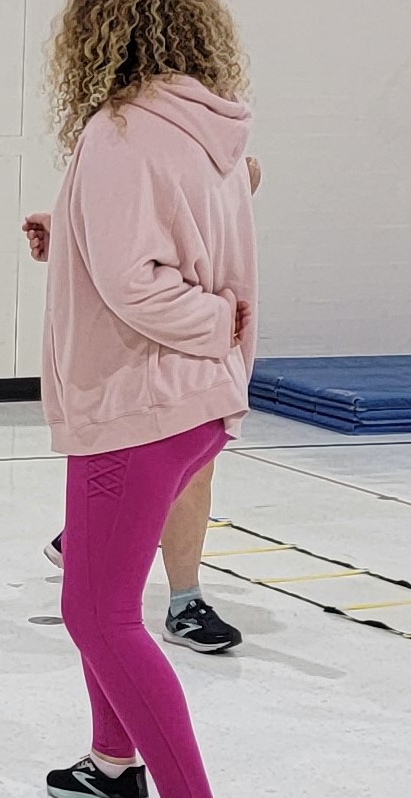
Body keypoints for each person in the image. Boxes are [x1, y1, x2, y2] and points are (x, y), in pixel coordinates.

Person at [33, 0, 257, 798]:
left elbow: (140, 280)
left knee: (95, 610)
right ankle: (115, 767)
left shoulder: (120, 130)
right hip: (187, 398)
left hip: (138, 401)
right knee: (103, 592)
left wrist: (209, 322)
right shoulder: (209, 128)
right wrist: (70, 231)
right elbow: (166, 241)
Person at [23, 153, 263, 656]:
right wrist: (68, 235)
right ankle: (126, 555)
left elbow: (184, 223)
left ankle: (182, 598)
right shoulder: (117, 139)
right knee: (104, 619)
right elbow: (129, 263)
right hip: (144, 354)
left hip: (190, 343)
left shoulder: (198, 142)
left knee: (194, 468)